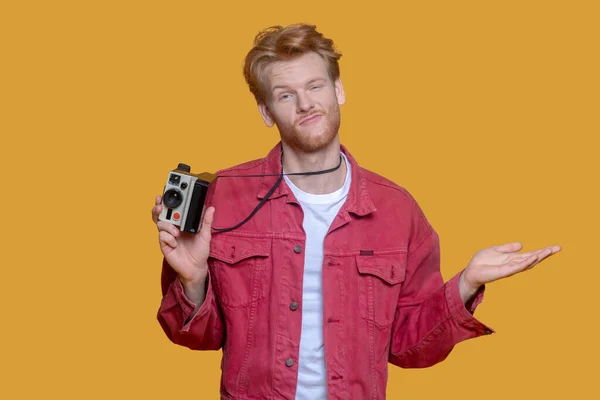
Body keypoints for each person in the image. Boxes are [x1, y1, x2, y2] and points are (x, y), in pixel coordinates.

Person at [151, 23, 561, 400]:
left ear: (339, 90)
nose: (306, 104)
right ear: (265, 111)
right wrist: (194, 281)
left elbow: (408, 348)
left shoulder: (396, 209)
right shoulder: (223, 197)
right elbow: (198, 338)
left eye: (316, 86)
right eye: (285, 94)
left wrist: (466, 284)